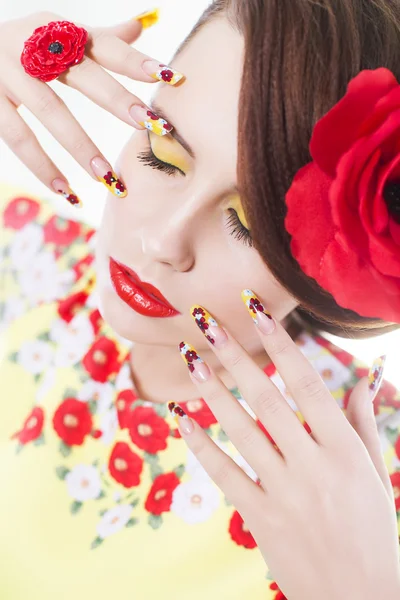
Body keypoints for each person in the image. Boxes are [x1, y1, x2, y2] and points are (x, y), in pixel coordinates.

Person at [0, 2, 400, 599]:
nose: (163, 242)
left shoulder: (373, 491)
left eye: (248, 227)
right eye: (162, 153)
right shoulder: (23, 250)